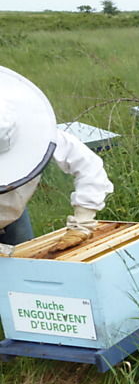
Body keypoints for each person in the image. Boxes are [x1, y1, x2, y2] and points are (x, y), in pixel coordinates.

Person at [0, 66, 113, 253]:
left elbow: (88, 165)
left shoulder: (35, 131)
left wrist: (83, 220)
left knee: (26, 274)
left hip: (14, 218)